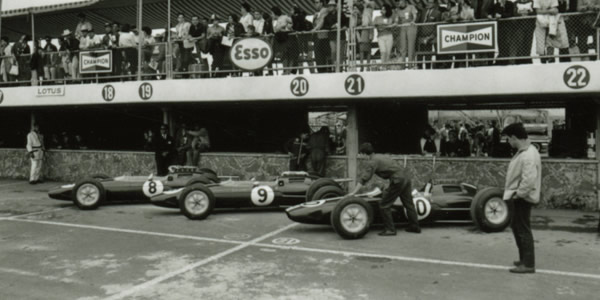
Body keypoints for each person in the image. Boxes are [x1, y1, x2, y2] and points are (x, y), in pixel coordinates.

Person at [348, 142, 421, 236]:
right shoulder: (380, 156)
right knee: (408, 204)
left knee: (384, 204)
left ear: (364, 154)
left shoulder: (372, 161)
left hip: (398, 180)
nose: (361, 157)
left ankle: (390, 229)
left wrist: (353, 192)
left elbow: (364, 179)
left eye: (361, 154)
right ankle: (415, 226)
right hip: (405, 177)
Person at [502, 123, 541, 274]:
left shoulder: (528, 155)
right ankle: (524, 259)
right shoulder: (526, 151)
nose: (508, 142)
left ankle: (528, 264)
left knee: (522, 229)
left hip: (522, 198)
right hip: (520, 196)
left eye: (508, 139)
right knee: (517, 226)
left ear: (513, 137)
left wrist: (519, 195)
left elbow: (528, 180)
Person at [374, 4, 395, 70]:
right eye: (382, 9)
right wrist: (385, 26)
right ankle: (383, 66)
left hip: (389, 36)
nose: (382, 10)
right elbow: (376, 26)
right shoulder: (377, 17)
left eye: (384, 9)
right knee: (383, 51)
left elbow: (390, 25)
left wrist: (382, 26)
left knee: (388, 52)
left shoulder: (390, 18)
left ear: (387, 10)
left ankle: (387, 66)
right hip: (381, 36)